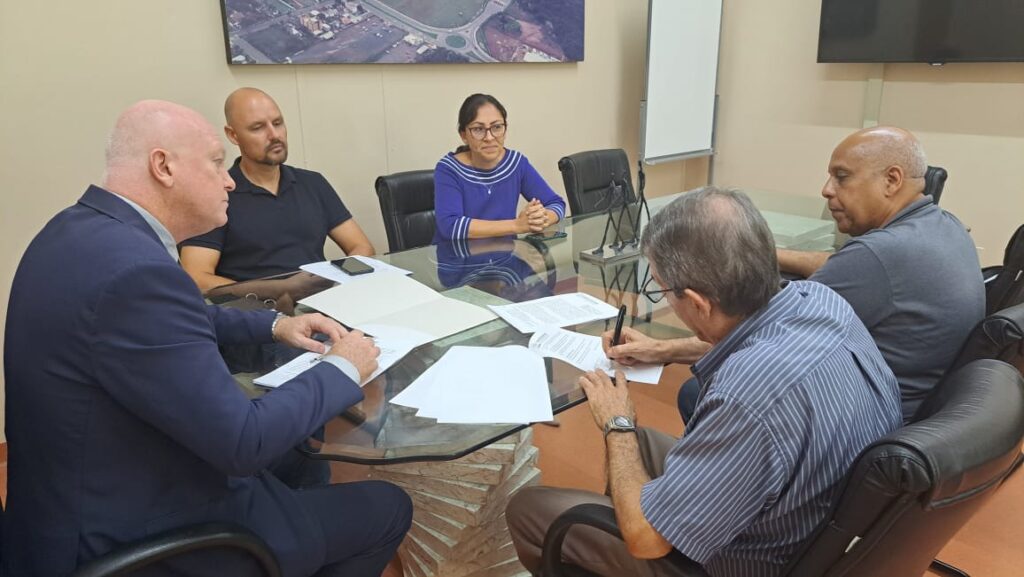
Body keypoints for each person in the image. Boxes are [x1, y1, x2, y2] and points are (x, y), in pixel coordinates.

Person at [3, 100, 411, 577]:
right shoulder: (135, 272)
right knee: (387, 507)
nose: (229, 180)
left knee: (298, 449)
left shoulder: (77, 231)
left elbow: (177, 318)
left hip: (72, 499)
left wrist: (275, 325)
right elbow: (244, 442)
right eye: (217, 162)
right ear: (163, 166)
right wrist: (343, 366)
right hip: (135, 531)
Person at [506, 187, 903, 577]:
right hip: (818, 519)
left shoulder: (745, 398)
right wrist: (662, 350)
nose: (664, 298)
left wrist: (616, 422)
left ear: (697, 302)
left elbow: (647, 540)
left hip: (750, 560)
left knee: (530, 508)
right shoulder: (820, 300)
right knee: (642, 443)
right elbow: (751, 336)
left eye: (662, 289)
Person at [775, 126, 984, 422]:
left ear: (892, 180)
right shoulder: (945, 225)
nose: (827, 189)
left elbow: (765, 333)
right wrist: (769, 254)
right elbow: (845, 264)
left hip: (864, 421)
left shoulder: (877, 254)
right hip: (920, 409)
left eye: (842, 177)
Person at [180, 87, 374, 292]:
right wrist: (278, 289)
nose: (274, 135)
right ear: (233, 135)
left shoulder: (312, 183)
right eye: (257, 128)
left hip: (320, 299)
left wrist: (337, 281)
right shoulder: (217, 196)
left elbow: (361, 246)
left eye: (278, 123)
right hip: (256, 305)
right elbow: (196, 277)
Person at [433, 93, 566, 243]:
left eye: (496, 127)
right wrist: (517, 225)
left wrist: (539, 219)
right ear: (464, 135)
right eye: (478, 129)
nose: (489, 137)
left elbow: (557, 204)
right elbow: (450, 226)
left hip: (505, 255)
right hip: (457, 255)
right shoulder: (449, 169)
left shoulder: (516, 163)